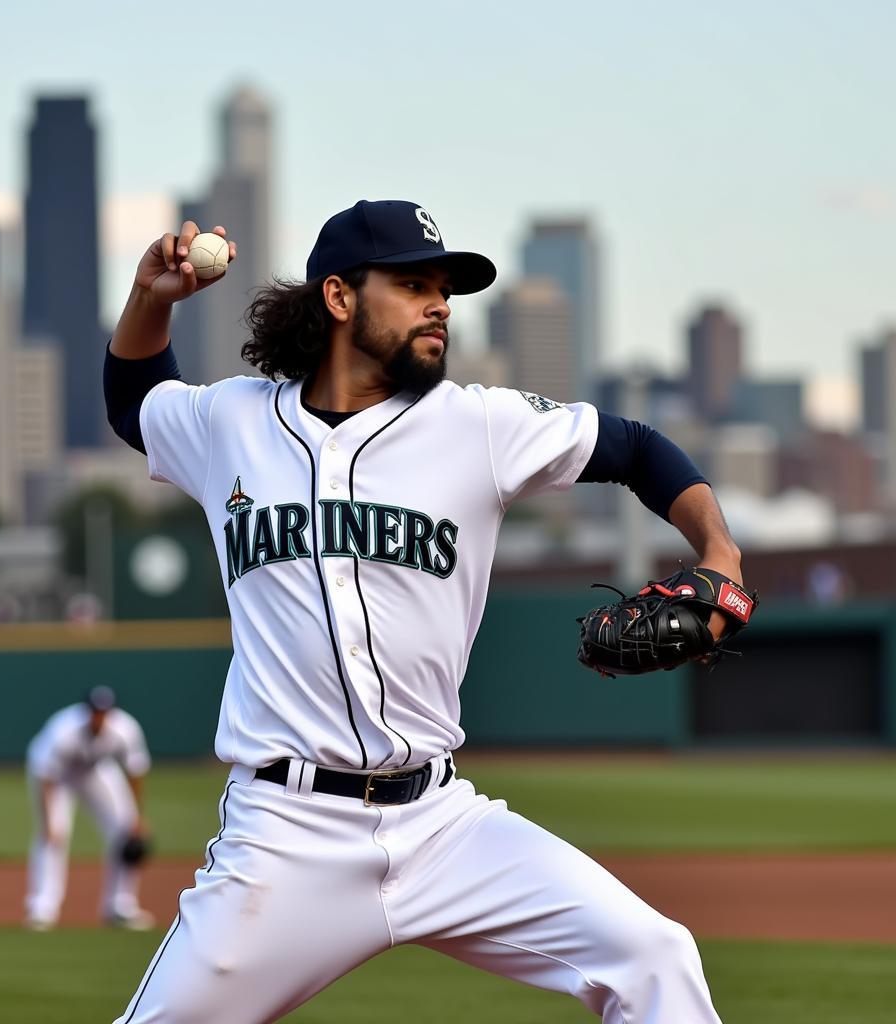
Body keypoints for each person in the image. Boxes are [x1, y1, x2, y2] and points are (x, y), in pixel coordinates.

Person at [104, 200, 744, 1022]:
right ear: (339, 297)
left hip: (444, 825)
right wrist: (151, 297)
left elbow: (637, 449)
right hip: (287, 836)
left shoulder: (478, 425)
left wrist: (719, 557)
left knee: (655, 958)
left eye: (445, 287)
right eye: (413, 284)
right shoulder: (229, 421)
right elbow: (134, 401)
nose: (439, 303)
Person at [24, 685, 153, 931]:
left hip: (95, 770)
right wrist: (48, 821)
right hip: (57, 777)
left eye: (104, 711)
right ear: (87, 710)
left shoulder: (125, 728)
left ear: (111, 712)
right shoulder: (64, 730)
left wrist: (137, 816)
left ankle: (120, 906)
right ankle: (42, 909)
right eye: (95, 711)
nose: (99, 716)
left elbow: (136, 771)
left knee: (127, 831)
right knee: (54, 836)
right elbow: (45, 778)